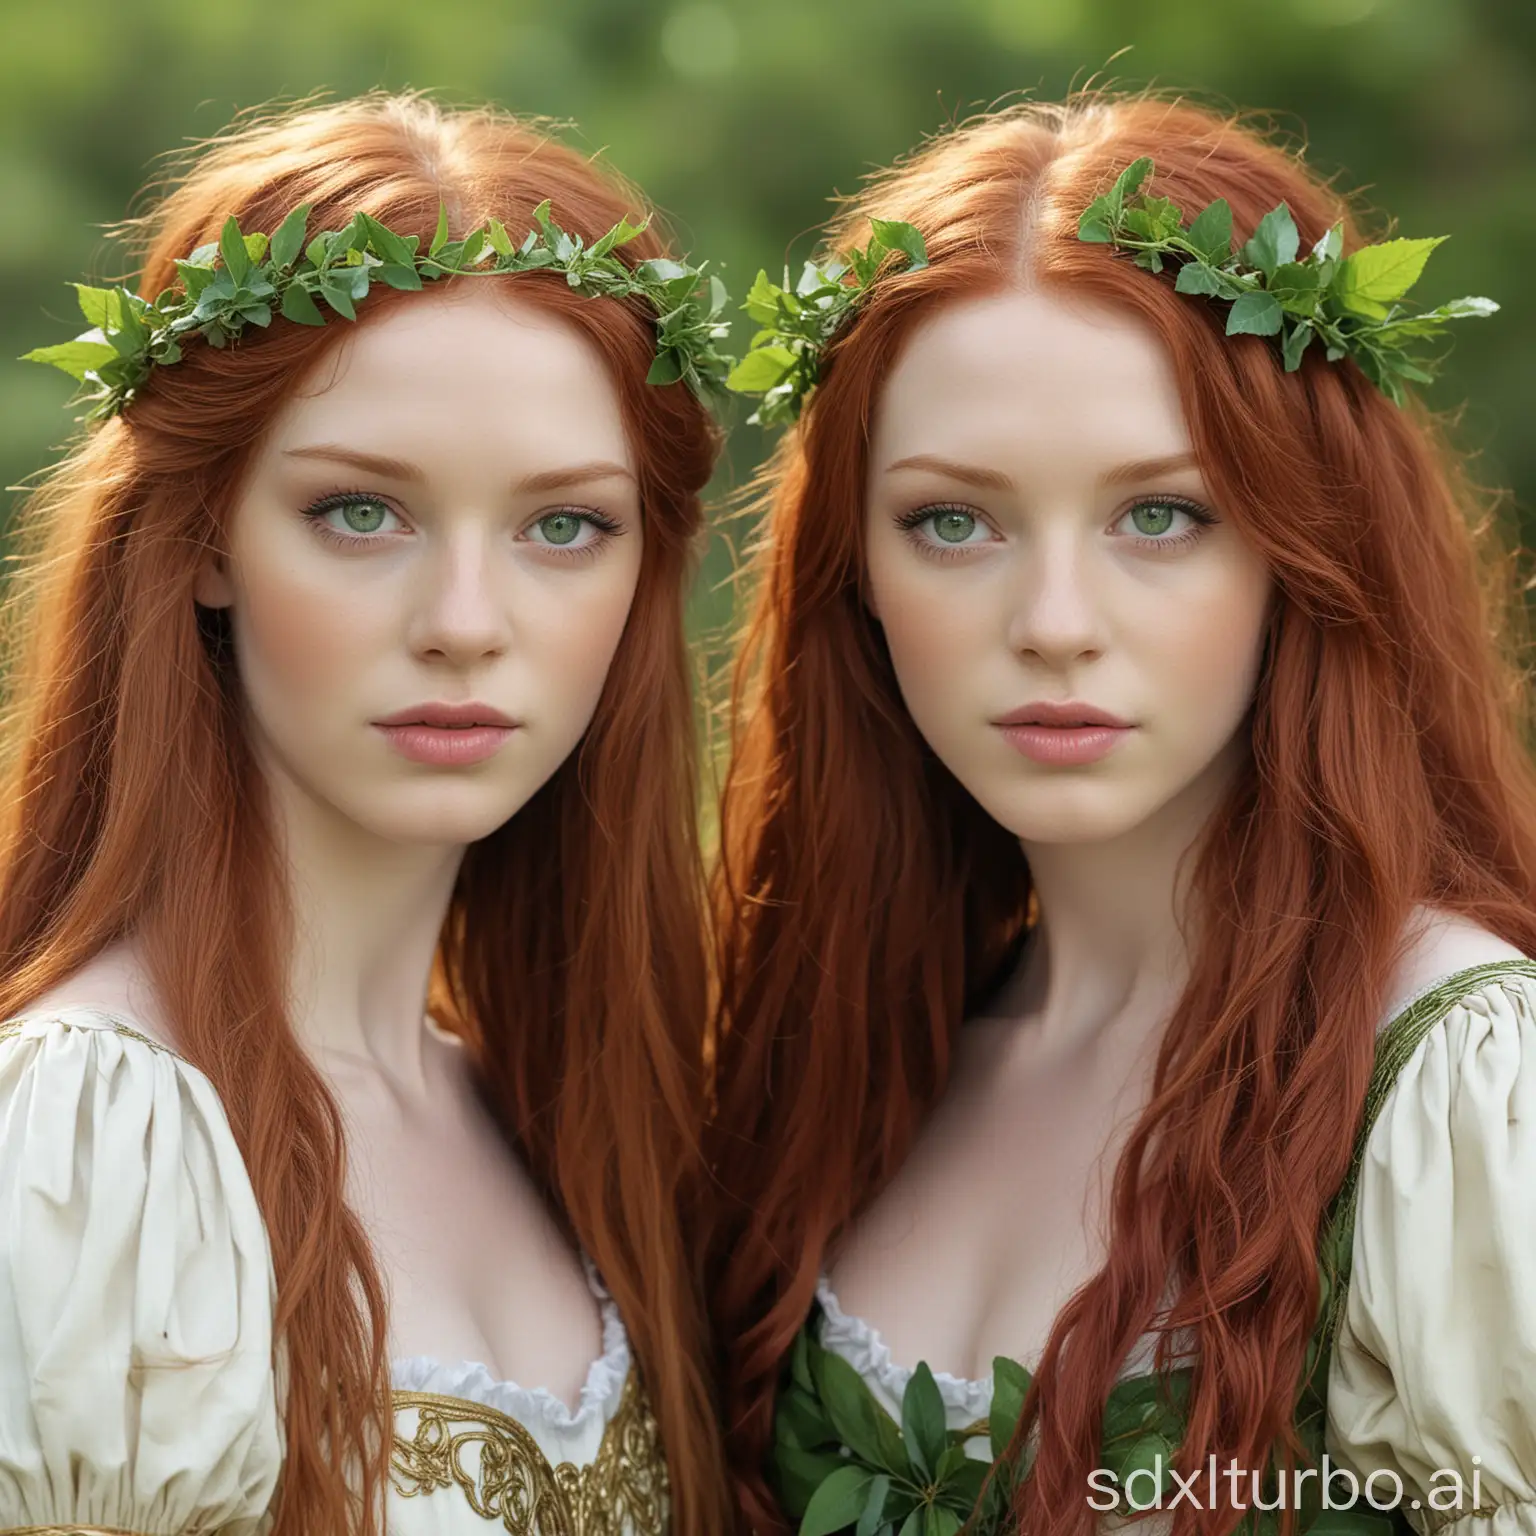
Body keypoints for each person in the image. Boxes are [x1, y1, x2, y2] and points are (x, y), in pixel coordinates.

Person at [709, 93, 1536, 1536]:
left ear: (1309, 546)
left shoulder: (1457, 1079)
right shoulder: (852, 1050)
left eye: (1161, 514)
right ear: (855, 572)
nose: (1053, 623)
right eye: (952, 522)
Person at [0, 93, 731, 1536]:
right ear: (206, 541)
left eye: (562, 526)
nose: (467, 624)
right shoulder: (88, 1135)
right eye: (360, 512)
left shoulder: (555, 1111)